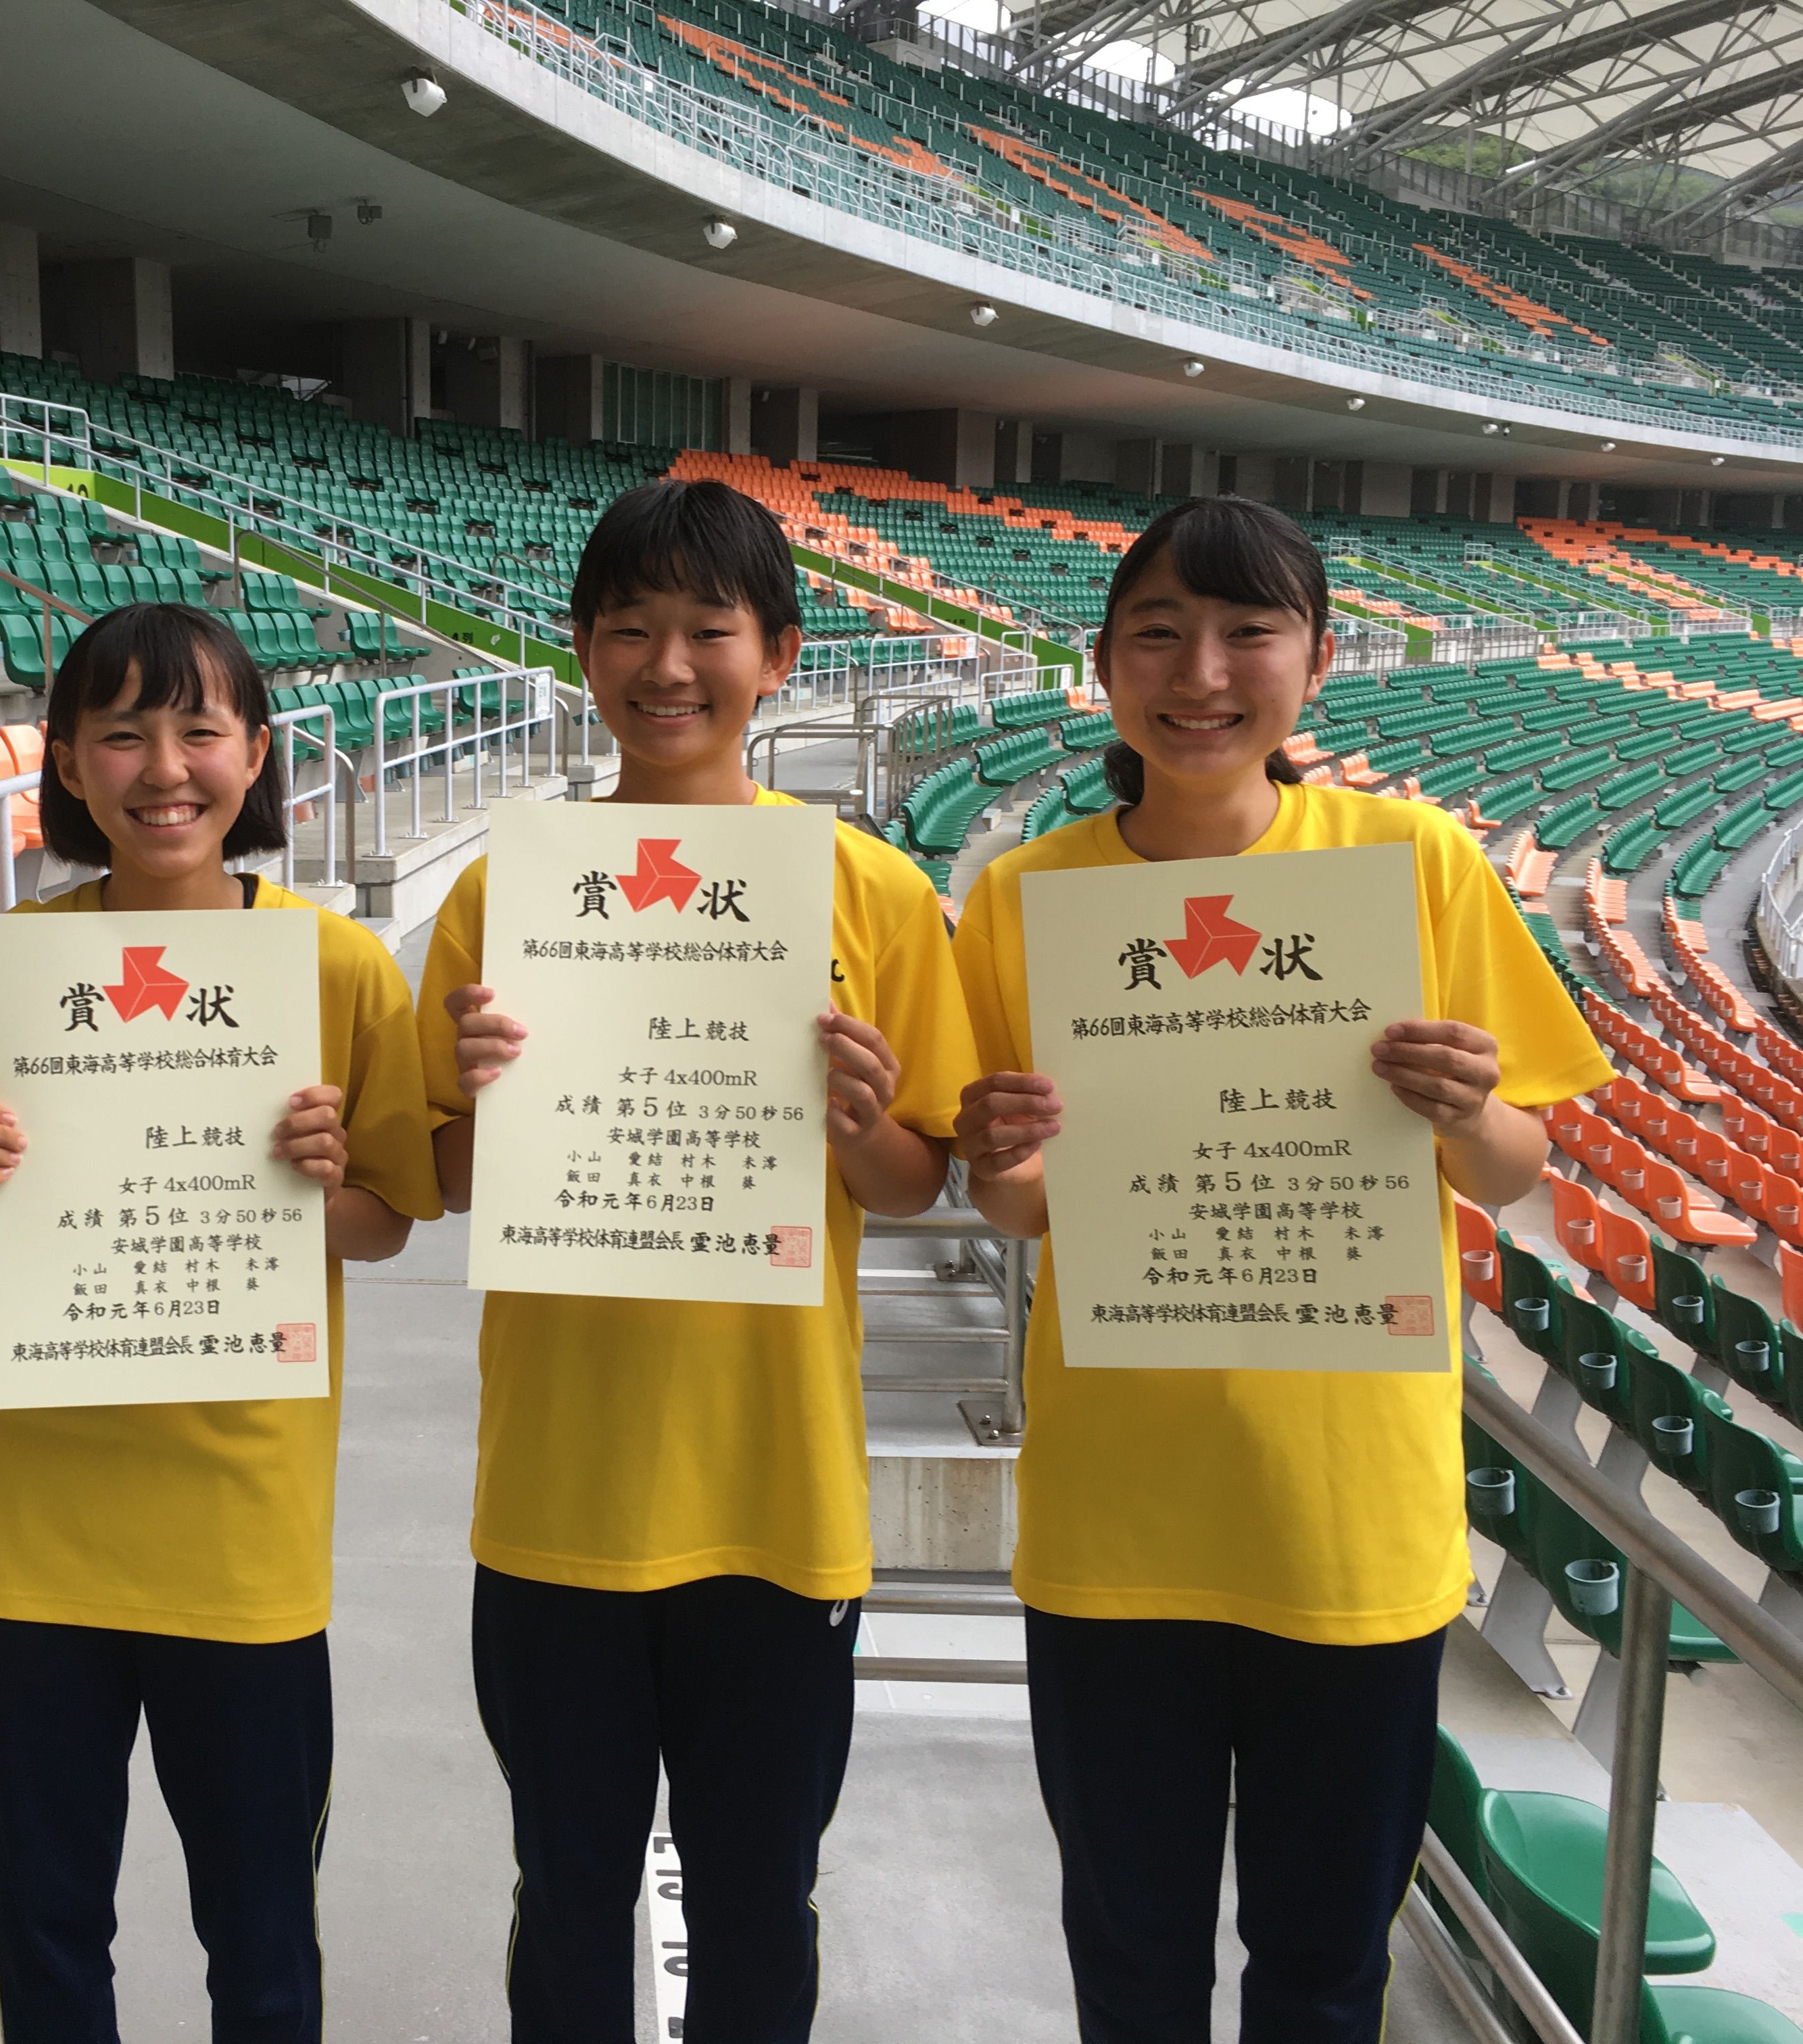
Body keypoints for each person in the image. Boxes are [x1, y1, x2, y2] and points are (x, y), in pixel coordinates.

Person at [948, 497, 1614, 2043]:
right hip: (1120, 1528)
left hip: (1352, 1530)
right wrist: (1001, 1151)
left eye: (1249, 631)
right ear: (1103, 665)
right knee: (1133, 1973)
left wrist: (1467, 1111)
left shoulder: (1411, 862)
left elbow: (1520, 1174)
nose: (1204, 670)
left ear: (1317, 660)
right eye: (1159, 633)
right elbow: (1026, 1205)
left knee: (1323, 1975)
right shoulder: (1027, 899)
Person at [420, 477, 982, 2042]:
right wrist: (474, 1098)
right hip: (559, 1498)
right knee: (569, 1887)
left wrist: (860, 1115)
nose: (668, 667)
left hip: (773, 1498)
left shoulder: (864, 890)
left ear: (779, 652)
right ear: (582, 653)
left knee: (758, 1896)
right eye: (629, 630)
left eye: (706, 630)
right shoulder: (505, 894)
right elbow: (456, 1183)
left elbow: (918, 1173)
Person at [0, 602, 439, 2043]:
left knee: (261, 1942)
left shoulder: (335, 972)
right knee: (50, 1941)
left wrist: (315, 1187)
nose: (164, 767)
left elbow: (387, 1218)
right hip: (32, 1538)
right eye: (121, 731)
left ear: (256, 754)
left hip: (241, 1529)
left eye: (200, 729)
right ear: (68, 763)